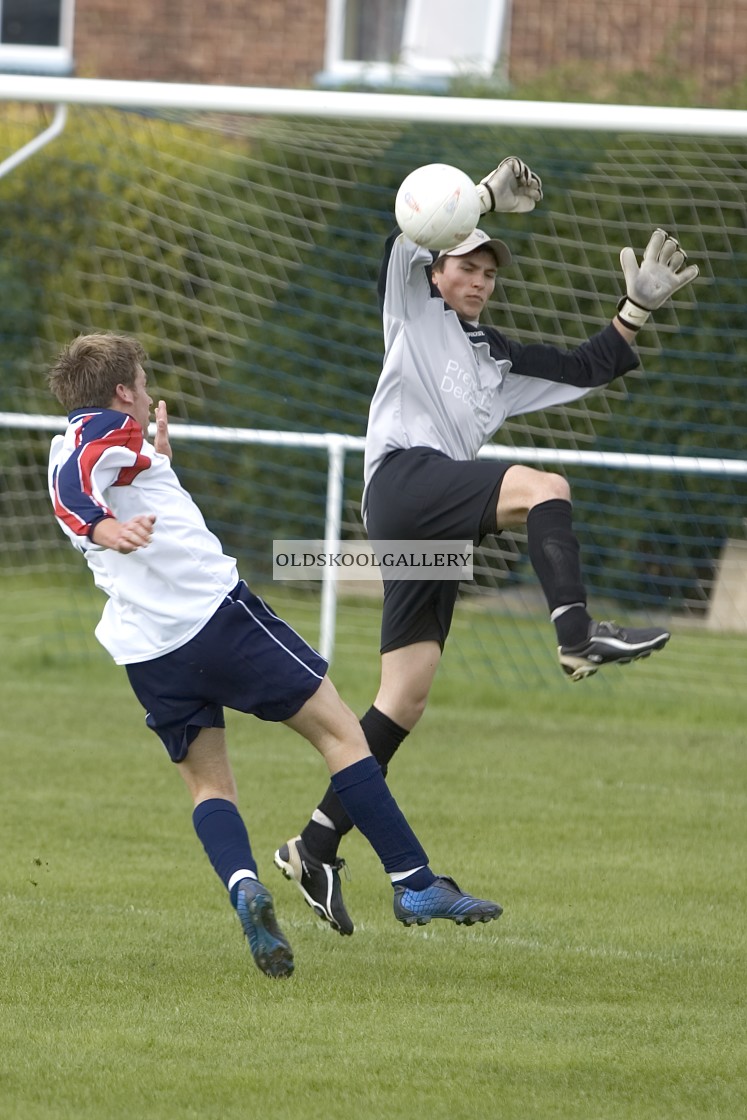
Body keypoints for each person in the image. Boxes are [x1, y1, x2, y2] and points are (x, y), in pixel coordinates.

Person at [273, 157, 700, 937]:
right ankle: (577, 637)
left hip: (421, 524)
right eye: (466, 264)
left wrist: (633, 310)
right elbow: (407, 234)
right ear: (436, 272)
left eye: (487, 269)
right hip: (403, 485)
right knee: (545, 488)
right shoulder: (411, 304)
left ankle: (315, 844)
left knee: (405, 695)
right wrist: (476, 197)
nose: (479, 278)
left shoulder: (493, 360)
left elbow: (584, 367)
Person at [46, 332, 504, 981]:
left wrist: (154, 463)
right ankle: (414, 882)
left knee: (209, 785)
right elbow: (79, 487)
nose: (147, 395)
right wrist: (102, 525)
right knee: (345, 735)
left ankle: (243, 886)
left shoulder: (77, 442)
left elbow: (92, 476)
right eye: (142, 383)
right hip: (216, 619)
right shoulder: (105, 430)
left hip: (148, 651)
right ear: (122, 391)